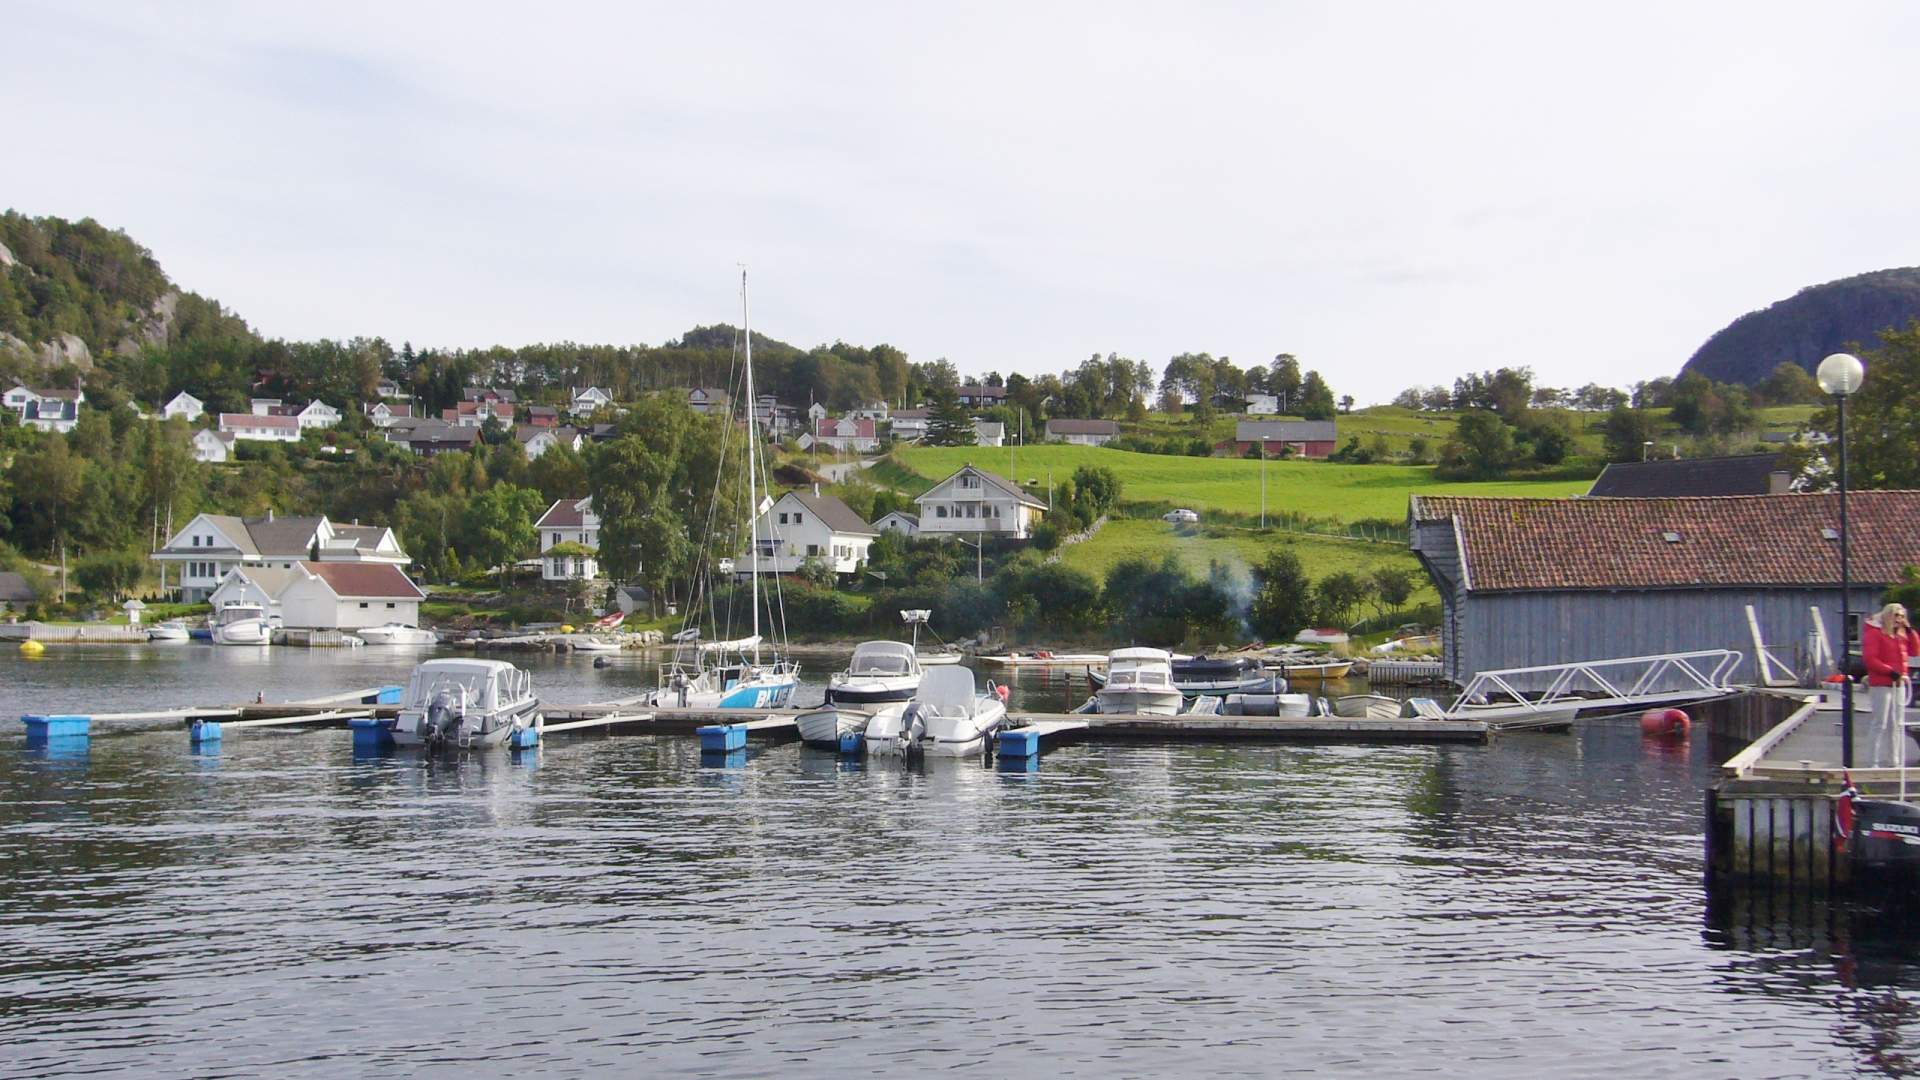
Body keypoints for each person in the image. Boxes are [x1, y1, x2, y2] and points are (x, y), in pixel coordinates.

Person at [1860, 603, 1919, 768]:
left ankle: (1894, 761)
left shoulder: (1901, 636)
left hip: (1899, 683)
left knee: (1897, 723)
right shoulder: (1874, 634)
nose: (1898, 620)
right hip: (1881, 684)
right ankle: (1873, 761)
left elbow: (1915, 650)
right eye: (1895, 616)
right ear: (1887, 616)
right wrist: (1889, 671)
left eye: (1901, 616)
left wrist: (1909, 630)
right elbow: (1870, 659)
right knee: (1880, 722)